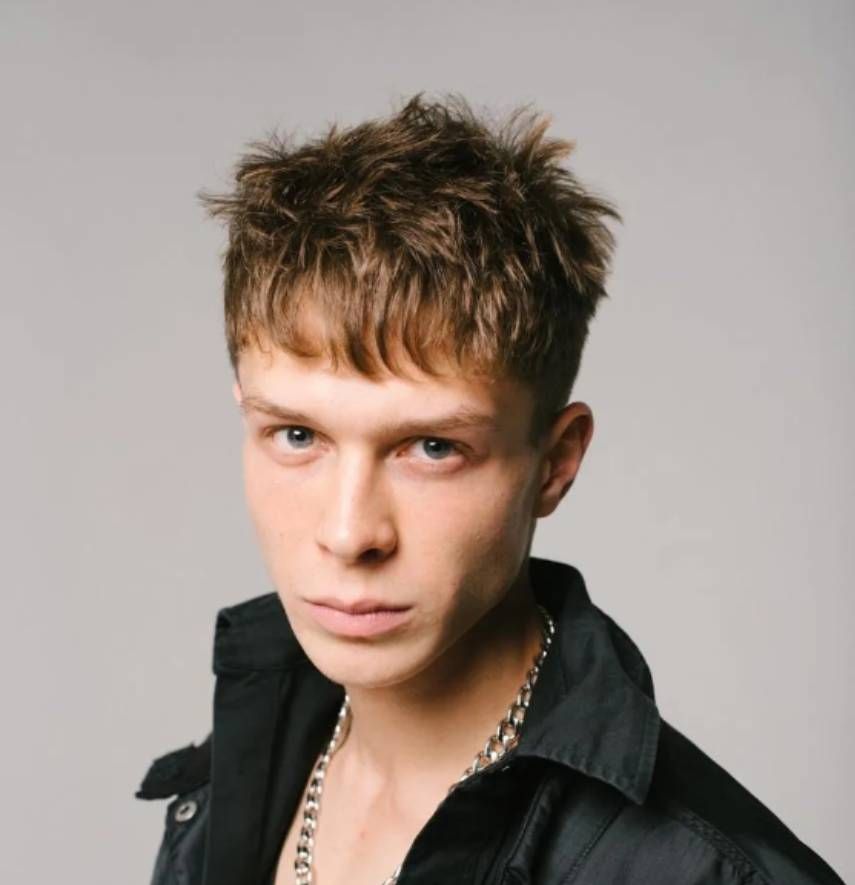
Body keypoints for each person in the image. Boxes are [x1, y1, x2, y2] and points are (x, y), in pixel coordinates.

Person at [135, 93, 843, 885]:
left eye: (432, 447)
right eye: (297, 435)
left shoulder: (702, 874)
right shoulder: (235, 779)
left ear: (555, 462)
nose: (348, 531)